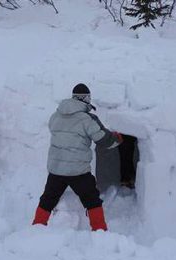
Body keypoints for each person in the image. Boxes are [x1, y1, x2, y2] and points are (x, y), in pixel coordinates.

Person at [32, 83, 123, 231]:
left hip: (56, 169)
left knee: (47, 200)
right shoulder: (86, 119)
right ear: (87, 99)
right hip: (78, 171)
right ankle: (100, 231)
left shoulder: (55, 116)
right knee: (92, 199)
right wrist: (116, 139)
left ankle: (36, 228)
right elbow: (103, 140)